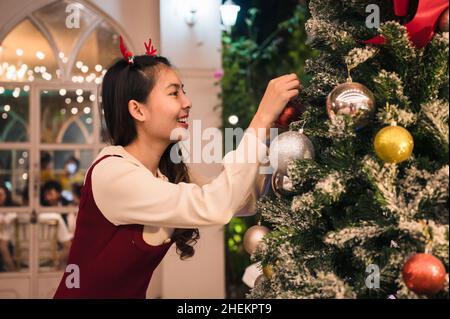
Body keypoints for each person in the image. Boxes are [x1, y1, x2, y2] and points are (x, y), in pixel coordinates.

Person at [54, 36, 300, 298]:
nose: (187, 102)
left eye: (183, 90)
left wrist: (270, 133)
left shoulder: (164, 173)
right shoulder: (113, 173)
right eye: (174, 93)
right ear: (137, 110)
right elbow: (216, 205)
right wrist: (260, 118)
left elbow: (243, 200)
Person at [0, 183, 17, 271]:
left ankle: (12, 271)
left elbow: (7, 222)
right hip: (4, 238)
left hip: (11, 238)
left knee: (3, 247)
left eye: (1, 195)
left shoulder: (12, 209)